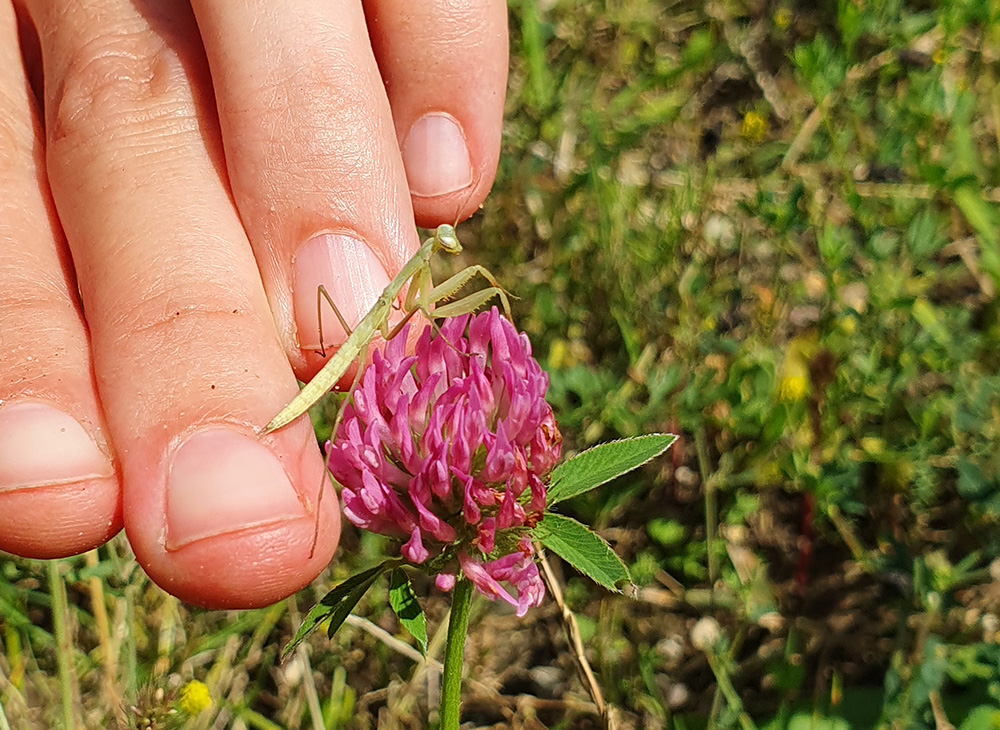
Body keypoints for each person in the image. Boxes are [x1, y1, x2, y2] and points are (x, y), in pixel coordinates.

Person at [0, 0, 508, 609]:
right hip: (335, 350)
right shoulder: (424, 274)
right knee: (335, 294)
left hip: (350, 345)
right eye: (444, 242)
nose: (447, 243)